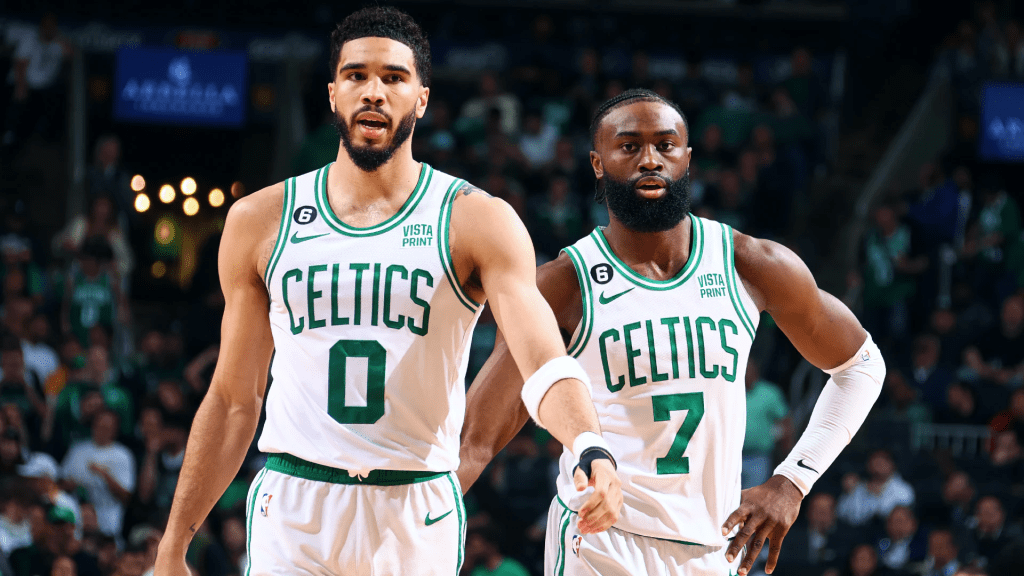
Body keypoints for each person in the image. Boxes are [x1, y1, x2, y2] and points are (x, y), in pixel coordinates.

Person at [153, 7, 621, 576]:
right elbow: (233, 399)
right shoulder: (260, 220)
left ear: (421, 99)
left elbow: (542, 357)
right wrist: (173, 544)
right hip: (295, 500)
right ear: (333, 94)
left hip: (414, 503)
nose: (373, 91)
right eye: (356, 75)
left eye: (394, 78)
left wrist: (588, 444)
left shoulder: (476, 219)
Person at [458, 88, 886, 576]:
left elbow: (861, 366)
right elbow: (475, 440)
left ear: (687, 158)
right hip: (602, 541)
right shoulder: (562, 285)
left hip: (713, 548)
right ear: (597, 164)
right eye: (629, 146)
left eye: (665, 145)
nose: (649, 160)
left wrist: (793, 480)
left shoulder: (750, 264)